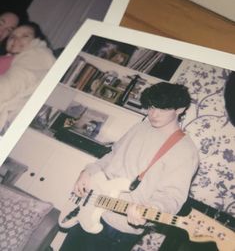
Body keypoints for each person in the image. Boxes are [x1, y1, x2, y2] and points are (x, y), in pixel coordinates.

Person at [60, 82, 199, 251]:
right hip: (89, 205)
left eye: (163, 109)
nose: (153, 114)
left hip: (118, 228)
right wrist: (88, 171)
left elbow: (172, 197)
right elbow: (112, 155)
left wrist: (151, 209)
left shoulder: (185, 150)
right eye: (151, 106)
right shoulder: (141, 126)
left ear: (180, 109)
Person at [0, 21, 55, 135]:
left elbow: (8, 87)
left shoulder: (36, 55)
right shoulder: (13, 58)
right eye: (12, 36)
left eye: (25, 36)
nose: (16, 39)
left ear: (37, 40)